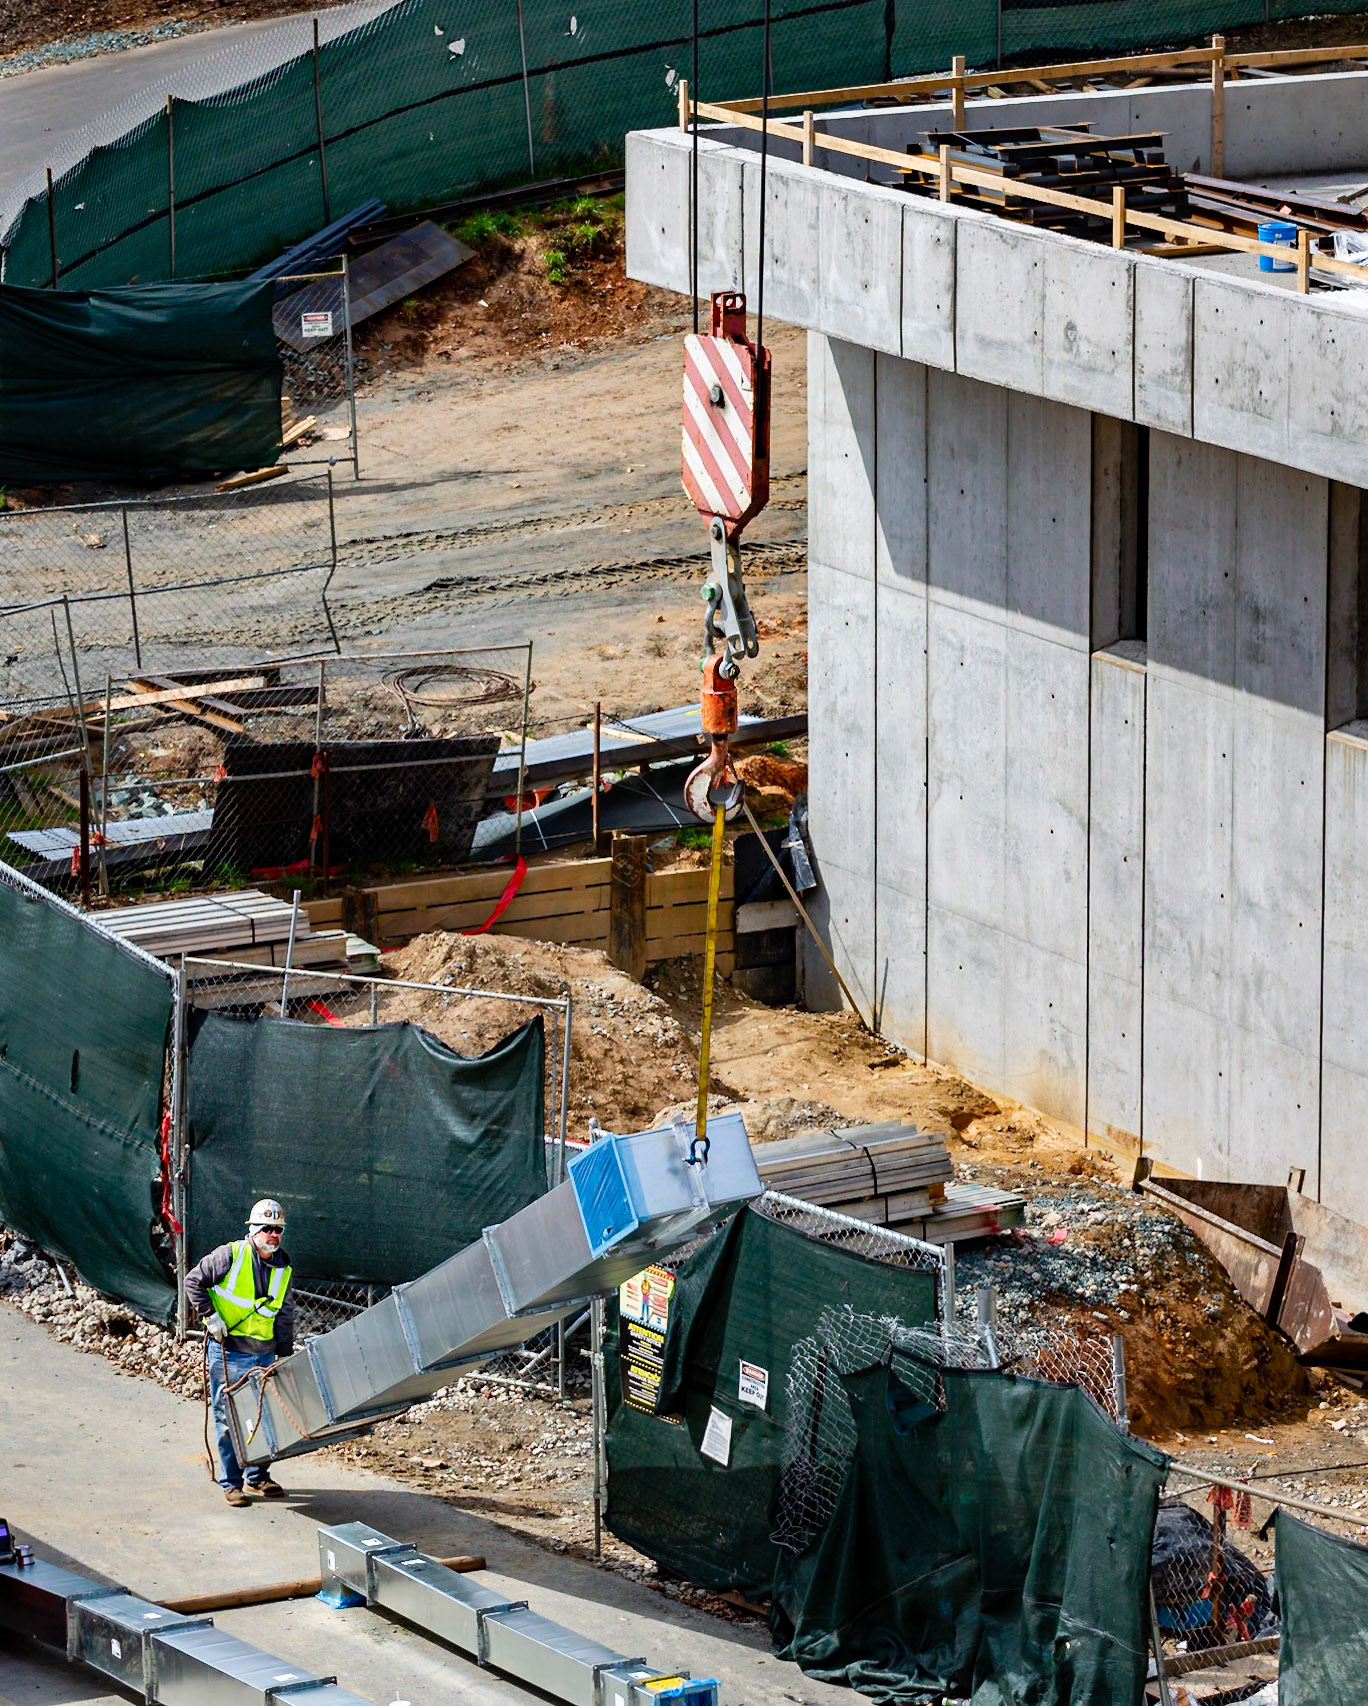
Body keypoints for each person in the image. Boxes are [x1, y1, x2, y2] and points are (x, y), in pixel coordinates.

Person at [186, 1197, 295, 1507]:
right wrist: (211, 1317)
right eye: (267, 1229)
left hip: (263, 1354)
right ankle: (231, 1483)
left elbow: (284, 1313)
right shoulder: (231, 1255)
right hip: (229, 1353)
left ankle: (258, 1476)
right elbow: (193, 1281)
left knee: (261, 1414)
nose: (273, 1235)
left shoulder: (283, 1267)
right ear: (253, 1230)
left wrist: (284, 1353)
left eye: (278, 1230)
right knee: (227, 1418)